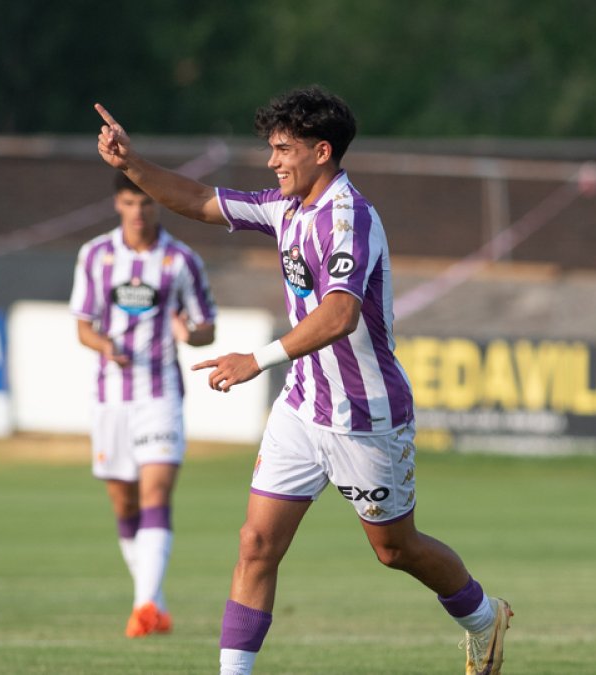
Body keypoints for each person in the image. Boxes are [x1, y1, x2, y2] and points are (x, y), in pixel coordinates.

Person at [95, 86, 512, 675]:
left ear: (321, 151)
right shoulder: (283, 208)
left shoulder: (349, 217)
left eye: (282, 149)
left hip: (364, 415)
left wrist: (256, 360)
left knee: (395, 550)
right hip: (301, 407)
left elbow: (341, 315)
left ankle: (483, 618)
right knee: (256, 544)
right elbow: (197, 199)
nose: (272, 161)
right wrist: (131, 163)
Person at [69, 172, 218, 638]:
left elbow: (207, 327)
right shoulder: (95, 255)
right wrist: (105, 345)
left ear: (157, 206)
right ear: (118, 204)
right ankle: (154, 601)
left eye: (146, 203)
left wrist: (188, 334)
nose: (139, 211)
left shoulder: (181, 261)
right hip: (111, 397)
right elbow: (83, 325)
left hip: (160, 394)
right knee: (124, 502)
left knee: (156, 494)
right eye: (130, 202)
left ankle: (144, 605)